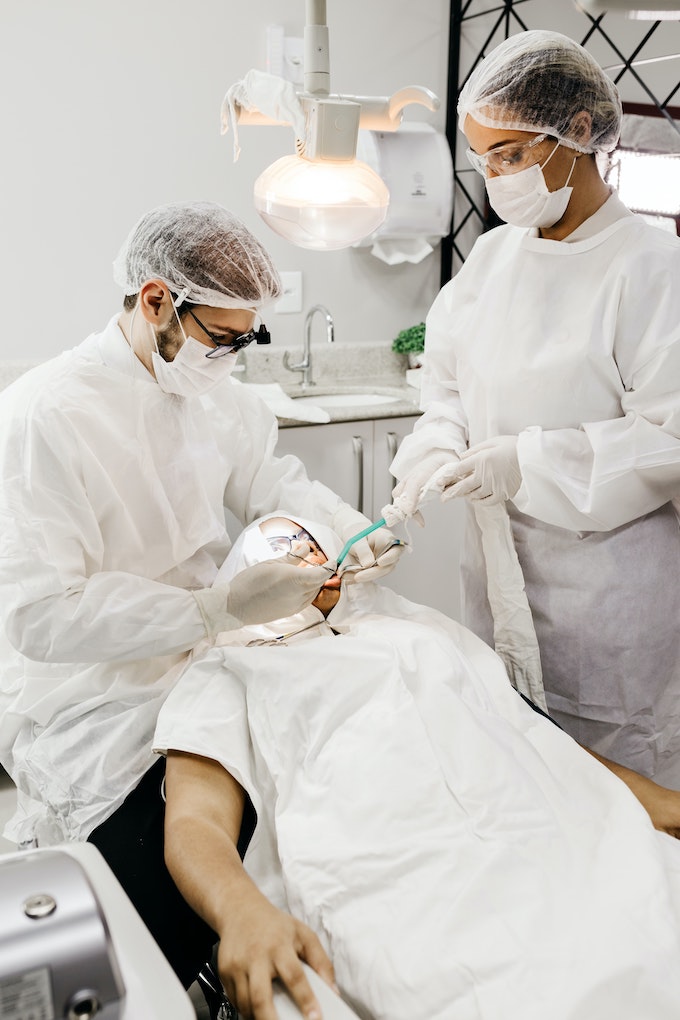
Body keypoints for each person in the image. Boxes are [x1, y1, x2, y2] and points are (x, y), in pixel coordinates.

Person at [0, 201, 404, 989]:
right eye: (223, 337)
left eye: (248, 337)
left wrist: (358, 530)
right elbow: (39, 616)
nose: (234, 357)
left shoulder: (221, 395)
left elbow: (273, 484)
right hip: (96, 692)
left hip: (218, 656)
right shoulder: (46, 415)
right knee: (181, 861)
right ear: (156, 302)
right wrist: (209, 610)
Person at [155, 513, 680, 1020]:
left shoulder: (406, 626)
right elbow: (193, 820)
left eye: (312, 543)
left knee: (643, 927)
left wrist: (647, 795)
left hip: (537, 828)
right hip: (390, 862)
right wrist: (239, 910)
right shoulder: (228, 667)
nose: (308, 557)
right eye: (284, 550)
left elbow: (523, 729)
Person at [390, 30, 680, 785]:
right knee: (520, 775)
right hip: (497, 581)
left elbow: (671, 436)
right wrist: (434, 446)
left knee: (621, 800)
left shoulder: (652, 271)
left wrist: (527, 462)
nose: (494, 178)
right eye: (483, 158)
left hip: (607, 607)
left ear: (579, 132)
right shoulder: (494, 257)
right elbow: (446, 381)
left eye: (510, 155)